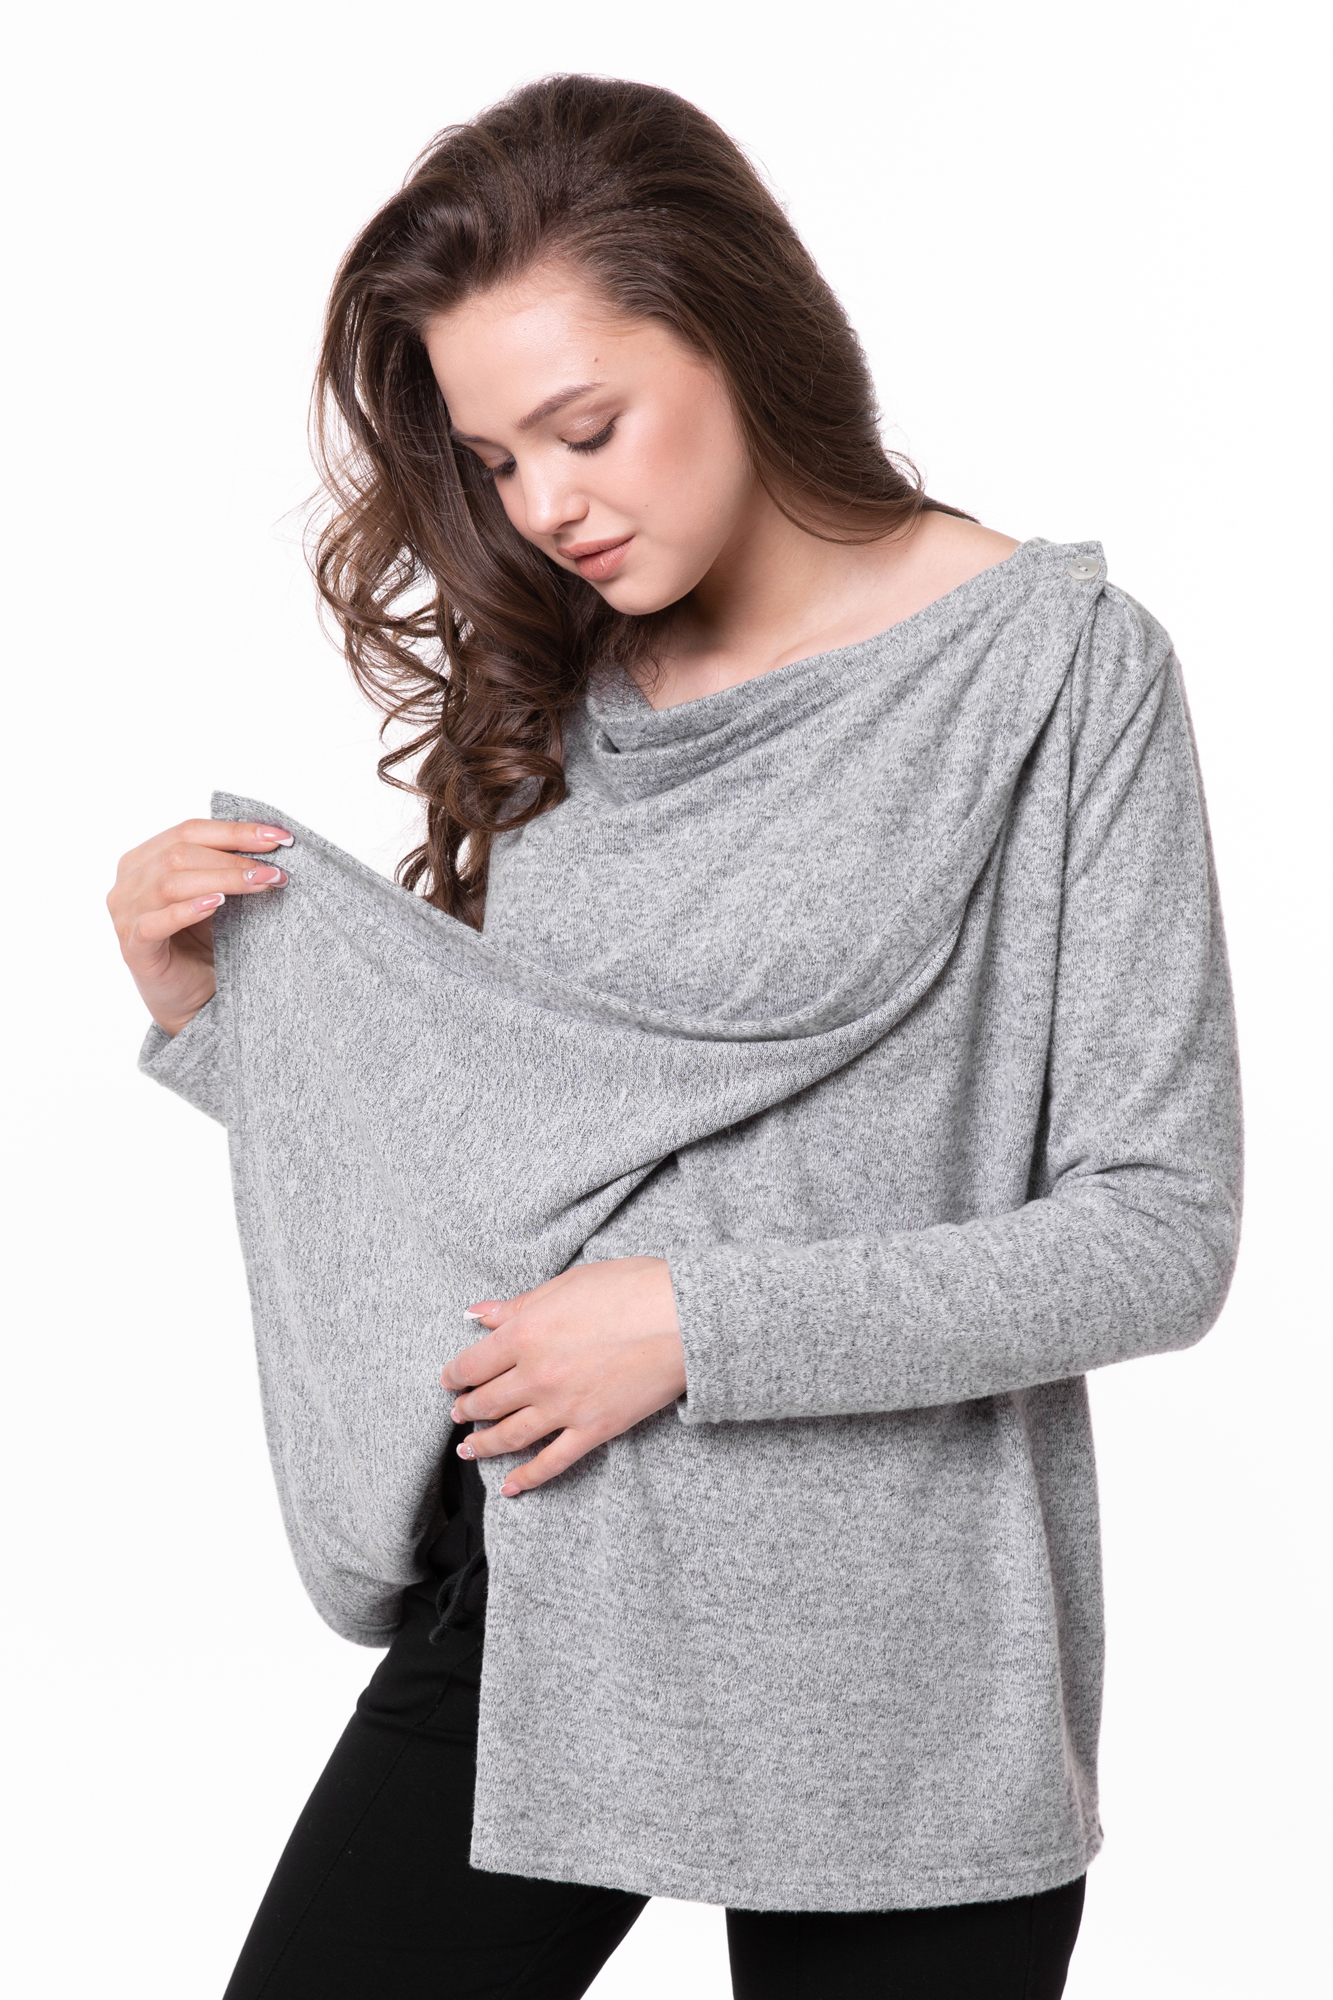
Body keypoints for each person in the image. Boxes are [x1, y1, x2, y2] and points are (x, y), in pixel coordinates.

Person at [106, 74, 1242, 2000]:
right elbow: (550, 1154)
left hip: (900, 1668)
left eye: (586, 428)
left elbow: (1157, 1233)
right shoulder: (562, 687)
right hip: (541, 1591)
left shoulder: (1059, 673)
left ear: (741, 333)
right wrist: (220, 1028)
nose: (543, 506)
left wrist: (691, 1330)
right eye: (494, 460)